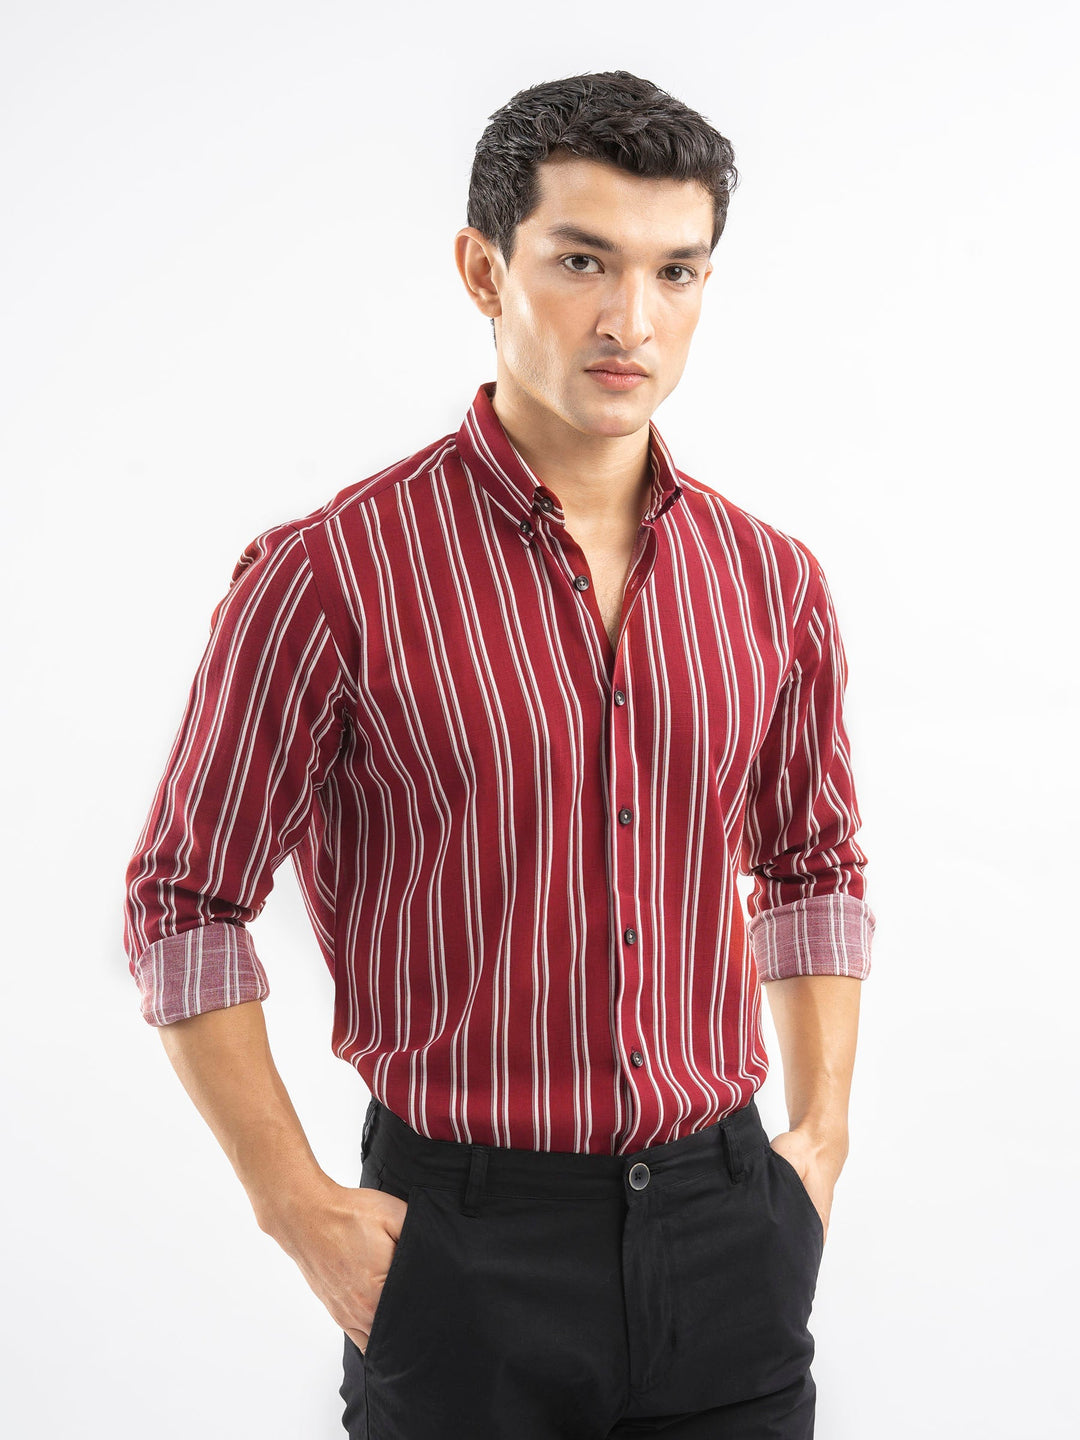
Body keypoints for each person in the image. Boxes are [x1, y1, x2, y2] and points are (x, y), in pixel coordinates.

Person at [123, 69, 877, 1440]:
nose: (630, 318)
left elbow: (813, 863)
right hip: (460, 1244)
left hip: (727, 1233)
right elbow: (184, 898)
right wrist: (299, 1211)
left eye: (674, 271)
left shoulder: (770, 581)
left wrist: (816, 1147)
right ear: (485, 270)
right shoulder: (333, 575)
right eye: (583, 261)